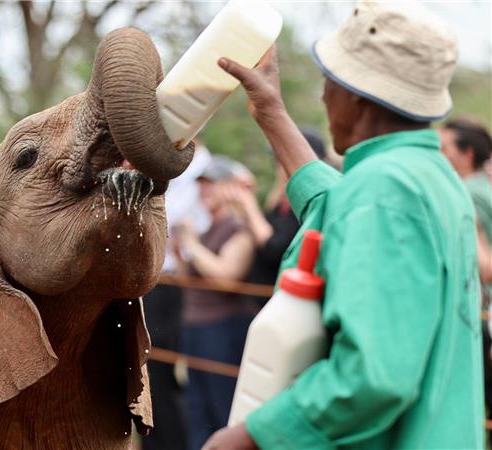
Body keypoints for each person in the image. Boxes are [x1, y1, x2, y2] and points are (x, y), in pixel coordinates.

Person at [204, 1, 483, 448]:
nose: (322, 96)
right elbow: (334, 202)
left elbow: (373, 376)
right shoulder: (431, 178)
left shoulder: (382, 190)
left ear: (356, 95)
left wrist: (252, 436)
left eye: (329, 82)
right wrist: (270, 111)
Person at [172, 156, 257, 450]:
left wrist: (191, 245)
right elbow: (191, 281)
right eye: (201, 186)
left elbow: (227, 276)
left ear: (229, 187)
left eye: (211, 185)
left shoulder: (239, 228)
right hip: (195, 327)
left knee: (223, 407)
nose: (204, 191)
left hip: (223, 328)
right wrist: (180, 252)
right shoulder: (207, 229)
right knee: (197, 407)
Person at [141, 142, 211, 450]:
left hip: (175, 284)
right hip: (152, 281)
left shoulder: (202, 172)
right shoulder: (163, 166)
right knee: (148, 371)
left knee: (165, 373)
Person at [226, 129, 327, 305]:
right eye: (277, 161)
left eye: (282, 160)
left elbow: (273, 247)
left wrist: (249, 204)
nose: (279, 168)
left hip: (282, 301)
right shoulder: (285, 200)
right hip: (264, 299)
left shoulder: (310, 202)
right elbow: (268, 224)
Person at [438, 118, 492, 442]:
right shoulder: (484, 188)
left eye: (445, 147)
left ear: (467, 153)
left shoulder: (468, 194)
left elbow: (481, 263)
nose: (439, 154)